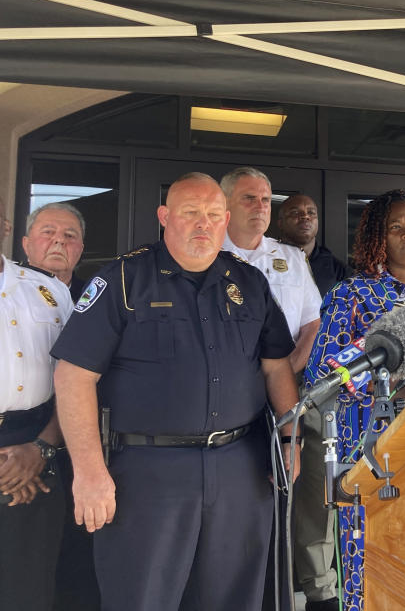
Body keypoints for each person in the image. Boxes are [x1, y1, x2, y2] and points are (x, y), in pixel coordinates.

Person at [51, 173, 302, 611]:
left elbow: (276, 368)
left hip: (240, 469)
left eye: (211, 215)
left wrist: (291, 440)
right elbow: (74, 376)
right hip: (146, 475)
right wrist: (89, 474)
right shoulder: (124, 280)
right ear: (165, 217)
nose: (202, 224)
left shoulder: (250, 284)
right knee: (142, 598)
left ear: (225, 220)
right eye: (190, 213)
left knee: (233, 598)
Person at [297, 189, 405, 611]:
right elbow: (324, 371)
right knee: (370, 553)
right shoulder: (353, 294)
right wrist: (392, 382)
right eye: (396, 226)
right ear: (379, 236)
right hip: (372, 443)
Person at [0, 196, 73, 611]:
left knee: (28, 590)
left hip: (36, 448)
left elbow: (76, 383)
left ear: (6, 226)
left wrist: (40, 449)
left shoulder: (49, 292)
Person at [221, 167, 324, 373]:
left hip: (284, 384)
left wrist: (282, 374)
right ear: (224, 204)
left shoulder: (293, 258)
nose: (260, 207)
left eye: (266, 200)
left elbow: (313, 325)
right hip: (222, 384)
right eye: (249, 198)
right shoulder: (207, 255)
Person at [276, 194, 349, 298]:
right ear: (280, 223)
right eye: (295, 212)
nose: (305, 216)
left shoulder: (339, 270)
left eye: (311, 212)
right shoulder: (264, 260)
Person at [21, 202, 86, 301]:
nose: (60, 240)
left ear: (81, 250)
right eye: (48, 232)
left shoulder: (94, 298)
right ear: (26, 244)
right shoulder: (7, 289)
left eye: (69, 235)